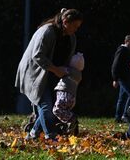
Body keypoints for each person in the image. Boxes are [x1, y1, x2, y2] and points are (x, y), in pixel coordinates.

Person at [15, 8, 83, 140]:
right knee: (46, 106)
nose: (76, 29)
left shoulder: (71, 38)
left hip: (52, 76)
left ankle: (33, 133)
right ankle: (51, 138)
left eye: (78, 27)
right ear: (65, 22)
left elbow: (68, 59)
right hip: (35, 74)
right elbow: (37, 55)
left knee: (51, 108)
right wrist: (56, 70)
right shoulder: (47, 31)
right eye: (74, 26)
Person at [52, 52, 84, 135]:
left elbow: (59, 70)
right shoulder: (79, 74)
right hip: (71, 97)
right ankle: (66, 126)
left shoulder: (70, 71)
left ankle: (71, 119)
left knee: (57, 110)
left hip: (64, 94)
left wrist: (52, 67)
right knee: (63, 111)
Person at [111, 34, 130, 123]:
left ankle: (118, 118)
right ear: (126, 42)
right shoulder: (122, 50)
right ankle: (125, 115)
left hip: (126, 77)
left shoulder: (126, 51)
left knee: (122, 98)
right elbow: (115, 65)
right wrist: (115, 78)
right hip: (123, 78)